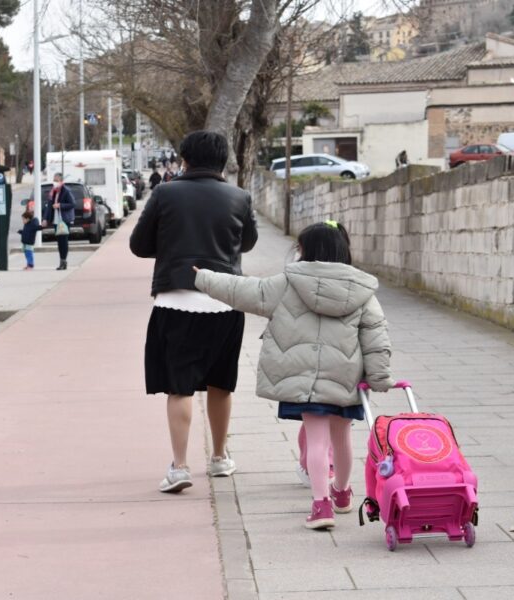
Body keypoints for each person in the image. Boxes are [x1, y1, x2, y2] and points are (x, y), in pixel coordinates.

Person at [193, 221, 395, 529]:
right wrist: (379, 377)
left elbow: (244, 291)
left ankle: (321, 505)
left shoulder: (288, 282)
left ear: (306, 250)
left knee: (317, 441)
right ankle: (342, 494)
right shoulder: (363, 289)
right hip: (345, 378)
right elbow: (376, 336)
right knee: (342, 438)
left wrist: (204, 277)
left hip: (305, 379)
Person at [129, 130, 258, 494]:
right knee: (221, 384)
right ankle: (218, 458)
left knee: (179, 387)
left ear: (184, 160)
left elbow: (139, 244)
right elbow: (247, 242)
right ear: (223, 161)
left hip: (176, 300)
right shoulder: (239, 197)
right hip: (225, 300)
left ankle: (180, 466)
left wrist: (171, 247)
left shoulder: (165, 193)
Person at [42, 172, 75, 270]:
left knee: (64, 241)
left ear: (61, 181)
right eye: (54, 180)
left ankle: (63, 262)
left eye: (56, 180)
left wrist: (60, 205)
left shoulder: (66, 191)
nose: (54, 182)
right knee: (59, 242)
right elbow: (49, 206)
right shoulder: (53, 191)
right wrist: (45, 219)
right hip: (56, 220)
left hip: (64, 220)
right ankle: (62, 261)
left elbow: (72, 204)